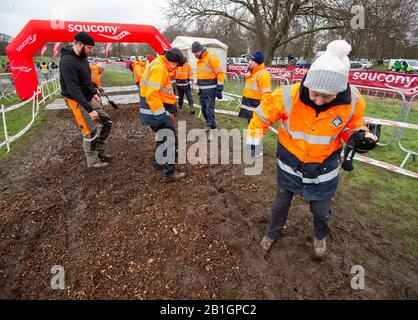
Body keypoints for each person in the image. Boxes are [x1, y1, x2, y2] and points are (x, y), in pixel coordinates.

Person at [247, 40, 378, 258]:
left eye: (326, 97)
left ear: (340, 89)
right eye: (315, 93)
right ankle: (272, 233)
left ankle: (320, 237)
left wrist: (358, 136)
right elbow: (261, 117)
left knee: (320, 211)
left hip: (324, 166)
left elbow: (350, 127)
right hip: (290, 161)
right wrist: (253, 139)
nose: (318, 100)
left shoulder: (354, 100)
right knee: (280, 204)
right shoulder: (287, 95)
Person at [59, 31, 113, 168]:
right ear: (79, 44)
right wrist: (89, 110)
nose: (91, 51)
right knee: (90, 131)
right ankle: (93, 161)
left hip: (87, 95)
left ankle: (100, 151)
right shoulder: (67, 62)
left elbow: (86, 79)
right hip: (75, 99)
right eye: (89, 48)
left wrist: (93, 93)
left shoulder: (83, 57)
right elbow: (74, 89)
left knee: (107, 121)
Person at [139, 48, 186, 182]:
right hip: (157, 112)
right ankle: (169, 173)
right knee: (170, 140)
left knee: (162, 136)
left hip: (154, 111)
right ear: (172, 61)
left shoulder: (157, 64)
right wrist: (161, 116)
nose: (176, 68)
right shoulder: (159, 68)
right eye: (176, 65)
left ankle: (158, 161)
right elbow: (152, 93)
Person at [192, 41, 225, 140]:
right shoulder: (199, 61)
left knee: (209, 111)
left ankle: (213, 129)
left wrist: (219, 89)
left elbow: (220, 73)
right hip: (202, 91)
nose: (195, 55)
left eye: (195, 53)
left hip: (211, 91)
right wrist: (197, 85)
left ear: (200, 50)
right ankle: (209, 124)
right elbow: (200, 75)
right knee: (203, 110)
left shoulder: (211, 58)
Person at [238, 51, 271, 123]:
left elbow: (266, 94)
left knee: (256, 130)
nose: (250, 62)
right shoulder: (253, 72)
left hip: (256, 107)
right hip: (250, 106)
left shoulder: (263, 75)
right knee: (251, 128)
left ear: (258, 63)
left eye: (252, 61)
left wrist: (263, 110)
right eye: (250, 60)